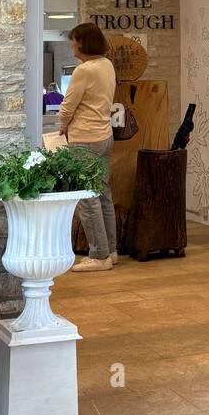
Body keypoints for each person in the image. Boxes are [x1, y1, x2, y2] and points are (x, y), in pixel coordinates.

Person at [60, 22, 118, 272]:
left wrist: (62, 125)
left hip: (84, 139)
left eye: (73, 40)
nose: (72, 45)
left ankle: (99, 254)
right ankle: (111, 251)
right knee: (102, 193)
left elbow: (68, 106)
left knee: (87, 196)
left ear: (82, 42)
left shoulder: (83, 70)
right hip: (104, 137)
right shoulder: (106, 65)